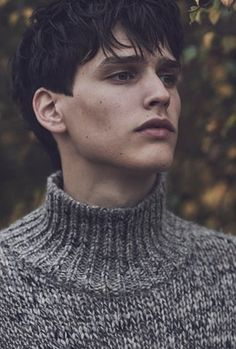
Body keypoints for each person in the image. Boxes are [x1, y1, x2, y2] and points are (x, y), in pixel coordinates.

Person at [0, 0, 235, 347]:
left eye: (168, 76)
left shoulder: (228, 274)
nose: (161, 94)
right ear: (51, 109)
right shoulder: (6, 283)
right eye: (123, 74)